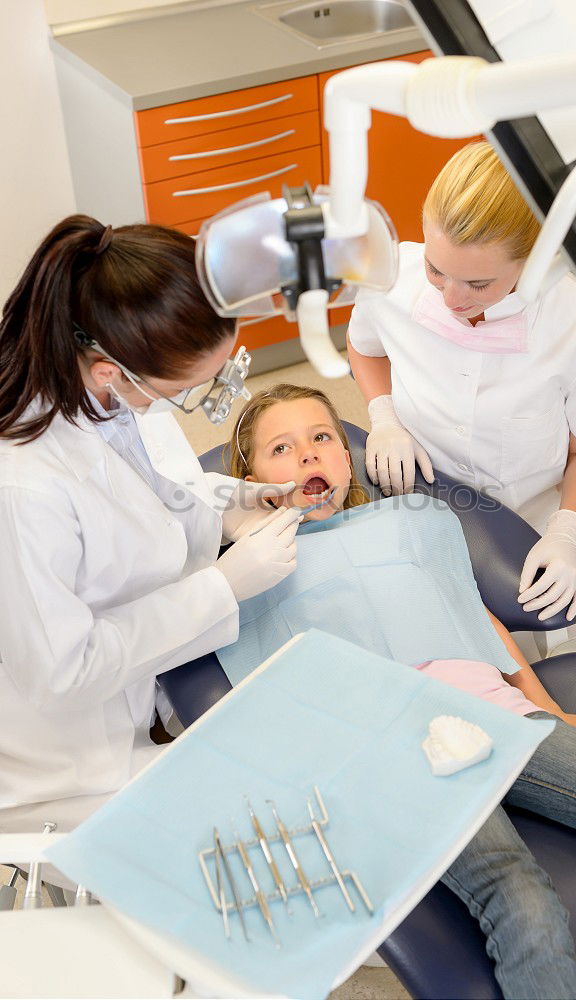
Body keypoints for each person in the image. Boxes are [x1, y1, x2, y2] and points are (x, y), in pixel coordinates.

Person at [225, 383, 576, 1000]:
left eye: (321, 437)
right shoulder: (247, 570)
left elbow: (474, 621)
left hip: (505, 717)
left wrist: (553, 714)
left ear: (347, 458)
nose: (307, 456)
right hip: (399, 756)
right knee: (518, 895)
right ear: (248, 480)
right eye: (282, 447)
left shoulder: (405, 529)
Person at [0, 215, 301, 835]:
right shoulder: (24, 489)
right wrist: (223, 587)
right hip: (65, 761)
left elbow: (144, 492)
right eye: (189, 387)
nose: (203, 397)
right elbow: (65, 674)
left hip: (141, 687)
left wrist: (234, 500)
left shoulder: (95, 392)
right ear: (112, 369)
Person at [346, 141, 576, 627]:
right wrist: (384, 417)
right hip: (424, 503)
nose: (452, 298)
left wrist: (565, 532)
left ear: (536, 260)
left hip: (535, 522)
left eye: (478, 285)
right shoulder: (391, 276)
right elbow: (365, 347)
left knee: (532, 644)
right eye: (437, 270)